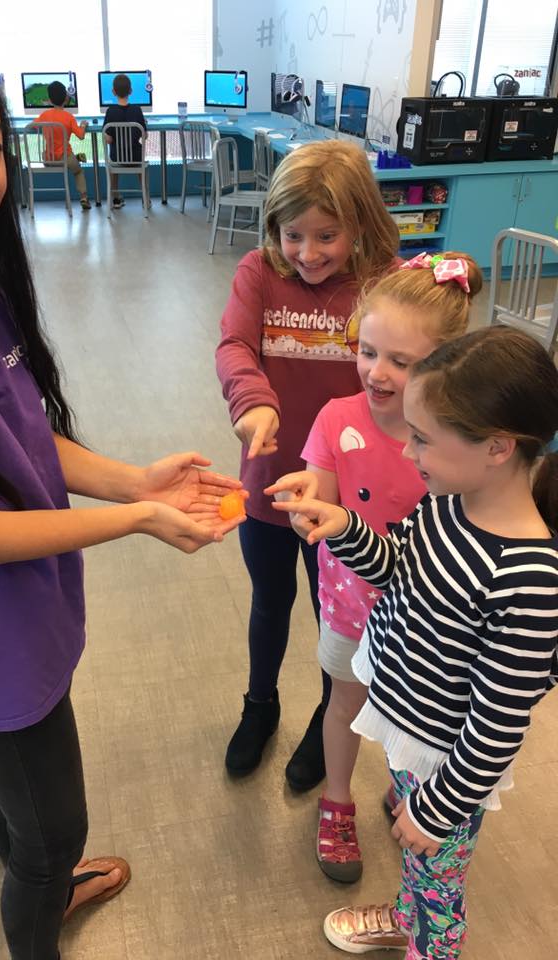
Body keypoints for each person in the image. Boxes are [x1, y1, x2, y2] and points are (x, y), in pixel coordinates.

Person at [0, 37, 244, 960]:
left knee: (21, 807)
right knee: (52, 831)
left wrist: (133, 478)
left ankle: (40, 869)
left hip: (33, 620)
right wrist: (140, 519)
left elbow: (24, 435)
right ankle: (41, 907)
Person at [271, 325, 558, 958]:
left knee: (437, 884)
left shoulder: (528, 579)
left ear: (497, 447)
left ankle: (426, 939)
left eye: (423, 439)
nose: (408, 454)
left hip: (448, 765)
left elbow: (498, 722)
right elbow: (402, 566)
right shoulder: (448, 501)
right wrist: (345, 526)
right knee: (417, 860)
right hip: (408, 727)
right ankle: (406, 913)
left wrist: (439, 808)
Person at [267, 251, 482, 883]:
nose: (377, 373)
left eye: (401, 361)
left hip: (427, 624)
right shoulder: (338, 418)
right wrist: (307, 501)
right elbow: (323, 494)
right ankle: (337, 801)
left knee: (414, 715)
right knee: (344, 704)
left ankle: (409, 786)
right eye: (367, 352)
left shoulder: (453, 441)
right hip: (350, 609)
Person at [215, 140, 400, 784]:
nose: (309, 252)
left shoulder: (384, 284)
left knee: (338, 615)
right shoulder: (258, 273)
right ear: (275, 229)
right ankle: (260, 706)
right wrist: (254, 403)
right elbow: (236, 345)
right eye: (294, 235)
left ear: (362, 226)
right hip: (271, 483)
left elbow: (421, 353)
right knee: (270, 600)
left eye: (328, 235)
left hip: (351, 504)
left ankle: (332, 717)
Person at [35, 79, 92, 211]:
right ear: (66, 98)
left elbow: (31, 126)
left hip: (48, 159)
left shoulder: (44, 115)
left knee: (69, 158)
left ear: (49, 99)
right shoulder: (69, 117)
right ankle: (83, 198)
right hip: (65, 158)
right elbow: (81, 136)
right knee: (78, 171)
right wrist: (83, 125)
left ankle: (77, 158)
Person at [102, 73, 147, 209]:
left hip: (117, 158)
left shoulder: (110, 111)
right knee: (141, 166)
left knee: (114, 164)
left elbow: (108, 139)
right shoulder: (137, 110)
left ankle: (116, 199)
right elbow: (144, 136)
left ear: (113, 91)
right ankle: (146, 199)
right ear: (131, 91)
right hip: (136, 157)